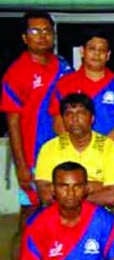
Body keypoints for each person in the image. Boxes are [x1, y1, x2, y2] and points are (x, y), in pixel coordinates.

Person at [1, 11, 72, 210]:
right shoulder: (16, 73)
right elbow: (12, 123)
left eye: (47, 30)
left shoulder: (64, 67)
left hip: (64, 154)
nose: (42, 35)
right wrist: (21, 165)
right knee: (31, 212)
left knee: (65, 211)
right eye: (35, 30)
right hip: (33, 157)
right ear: (25, 38)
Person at [34, 93, 114, 211]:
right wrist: (94, 186)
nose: (75, 119)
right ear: (63, 119)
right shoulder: (49, 148)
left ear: (92, 118)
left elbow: (112, 197)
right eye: (69, 114)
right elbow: (46, 195)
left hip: (102, 213)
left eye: (81, 113)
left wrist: (66, 195)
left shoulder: (111, 148)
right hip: (60, 214)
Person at [52, 31, 114, 142]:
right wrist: (75, 147)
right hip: (74, 152)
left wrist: (100, 148)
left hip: (109, 151)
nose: (97, 54)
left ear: (108, 55)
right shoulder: (65, 83)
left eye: (102, 50)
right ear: (82, 51)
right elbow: (58, 121)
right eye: (92, 49)